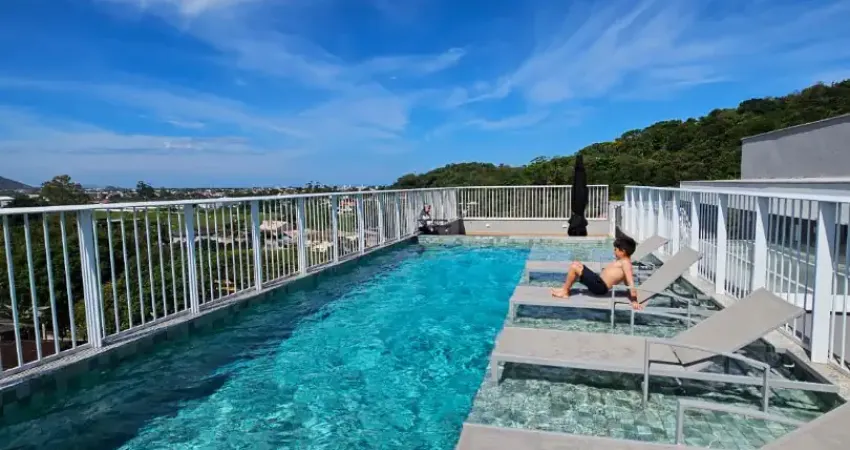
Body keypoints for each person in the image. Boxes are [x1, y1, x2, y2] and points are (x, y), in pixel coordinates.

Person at [551, 236, 641, 309]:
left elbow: (630, 282)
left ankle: (565, 292)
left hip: (600, 287)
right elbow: (626, 281)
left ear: (623, 251)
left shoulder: (626, 263)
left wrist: (634, 300)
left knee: (574, 267)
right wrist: (628, 292)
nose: (614, 251)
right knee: (576, 264)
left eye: (616, 249)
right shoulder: (623, 261)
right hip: (598, 282)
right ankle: (564, 289)